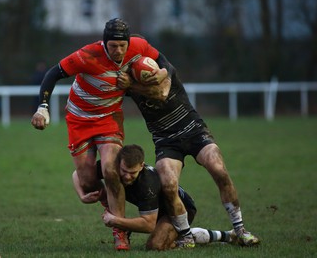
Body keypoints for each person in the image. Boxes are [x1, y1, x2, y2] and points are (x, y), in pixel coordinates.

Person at [30, 18, 169, 250]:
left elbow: (164, 62)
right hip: (79, 119)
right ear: (105, 44)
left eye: (122, 45)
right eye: (113, 46)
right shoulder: (87, 55)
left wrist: (162, 74)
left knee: (110, 169)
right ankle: (110, 205)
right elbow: (53, 73)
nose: (119, 50)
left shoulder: (138, 46)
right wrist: (42, 108)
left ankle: (120, 230)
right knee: (87, 182)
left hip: (109, 118)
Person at [117, 40, 260, 247]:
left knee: (218, 169)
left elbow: (162, 93)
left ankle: (240, 229)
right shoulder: (131, 80)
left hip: (193, 129)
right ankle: (186, 236)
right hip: (165, 140)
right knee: (167, 183)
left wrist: (132, 85)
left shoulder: (167, 71)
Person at [72, 144, 236, 250]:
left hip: (178, 210)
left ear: (141, 166)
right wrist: (82, 196)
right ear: (118, 164)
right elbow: (78, 175)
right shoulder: (112, 170)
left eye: (133, 173)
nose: (127, 177)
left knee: (156, 246)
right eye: (124, 171)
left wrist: (115, 221)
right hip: (155, 212)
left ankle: (224, 235)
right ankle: (222, 236)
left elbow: (148, 224)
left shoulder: (147, 185)